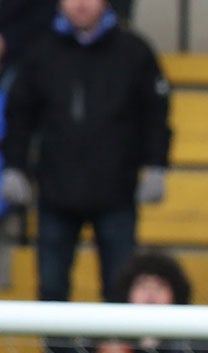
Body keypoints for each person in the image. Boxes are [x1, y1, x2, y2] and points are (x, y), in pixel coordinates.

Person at [0, 0, 170, 302]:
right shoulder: (41, 52)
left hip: (117, 191)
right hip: (55, 192)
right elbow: (20, 115)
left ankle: (115, 351)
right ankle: (57, 352)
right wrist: (15, 166)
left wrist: (157, 165)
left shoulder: (134, 51)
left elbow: (156, 114)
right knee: (51, 289)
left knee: (119, 289)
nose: (80, 4)